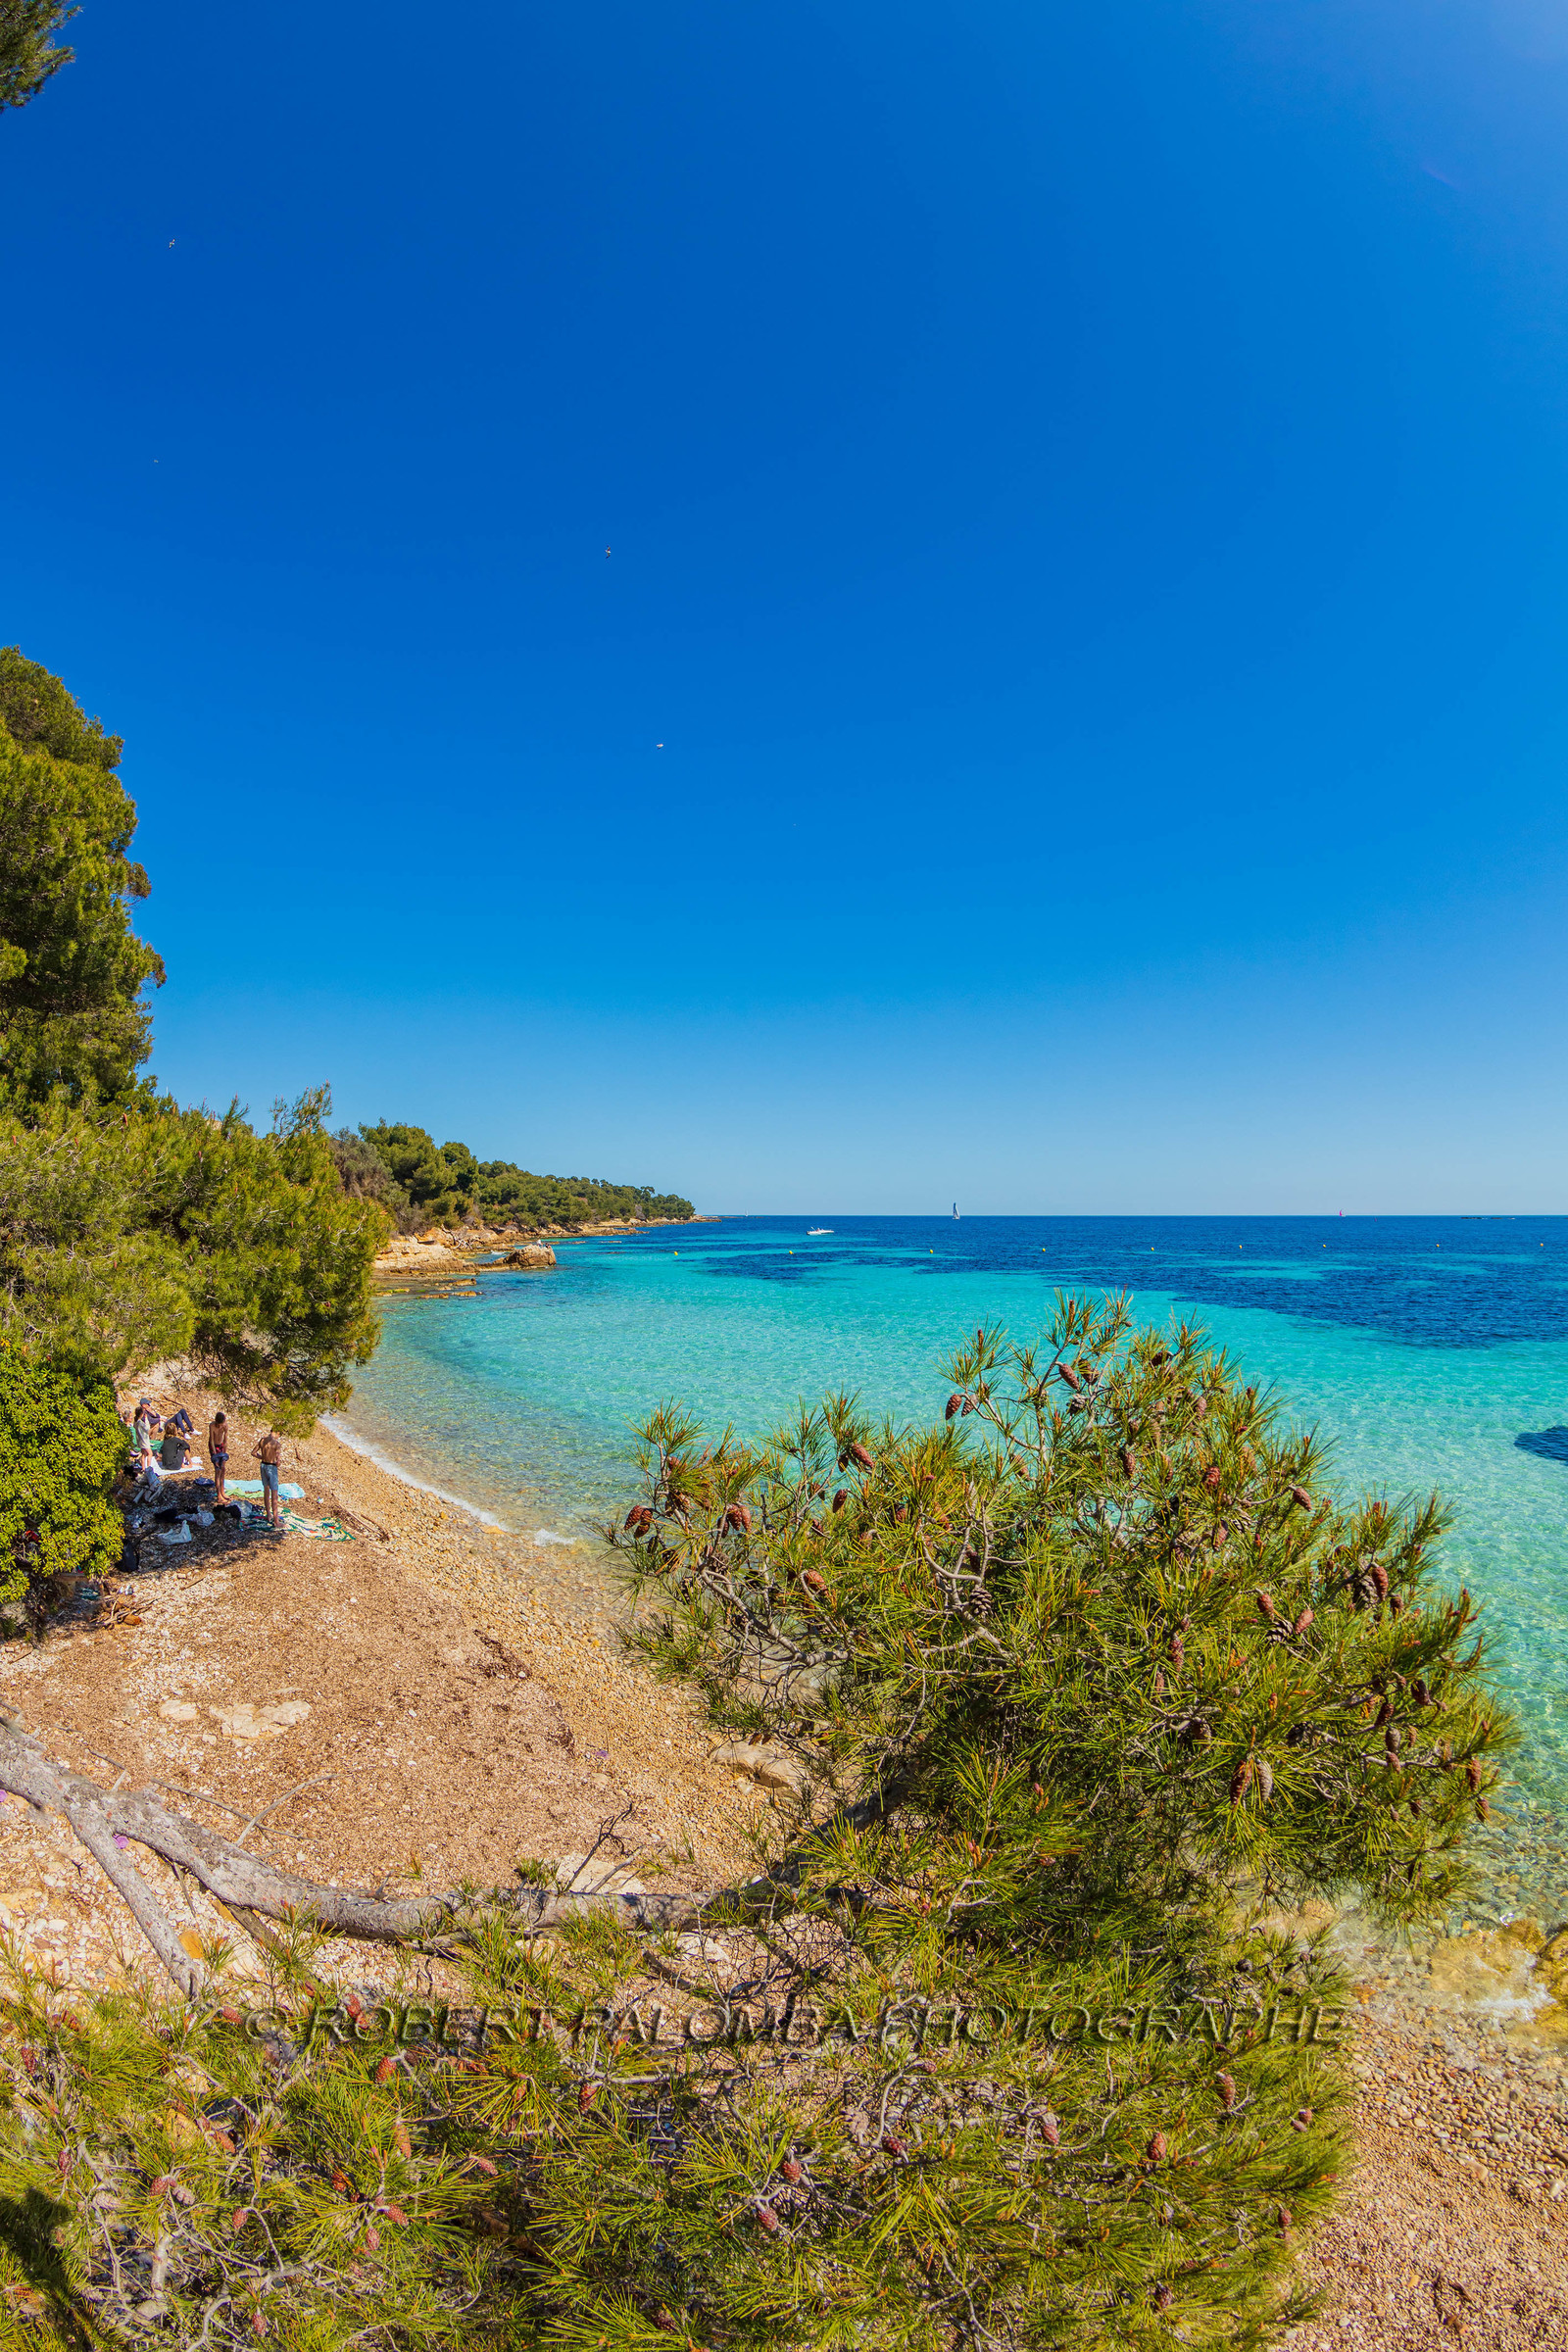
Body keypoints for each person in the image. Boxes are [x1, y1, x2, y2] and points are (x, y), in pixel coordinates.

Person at [253, 1427, 284, 1528]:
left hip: (263, 1466)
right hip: (271, 1467)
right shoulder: (276, 1444)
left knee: (266, 1490)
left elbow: (253, 1453)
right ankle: (276, 1521)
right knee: (274, 1493)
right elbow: (278, 1461)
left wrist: (262, 1457)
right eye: (279, 1435)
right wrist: (277, 1463)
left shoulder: (262, 1440)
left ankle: (268, 1515)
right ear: (277, 1433)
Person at [208, 1410, 230, 1501]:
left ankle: (222, 1490)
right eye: (219, 1424)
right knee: (217, 1470)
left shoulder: (225, 1426)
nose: (220, 1426)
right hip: (214, 1447)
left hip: (221, 1446)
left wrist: (224, 1453)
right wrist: (214, 1454)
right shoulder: (212, 1426)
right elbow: (212, 1440)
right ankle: (219, 1495)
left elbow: (225, 1441)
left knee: (223, 1468)